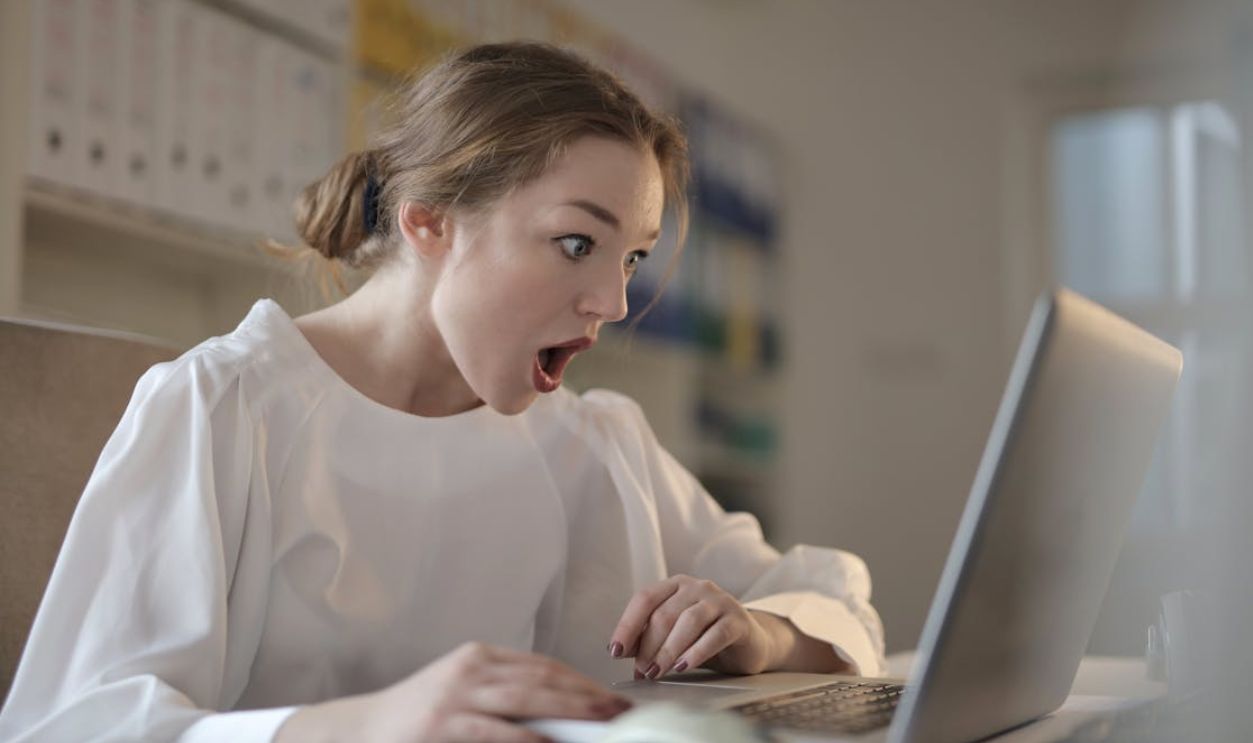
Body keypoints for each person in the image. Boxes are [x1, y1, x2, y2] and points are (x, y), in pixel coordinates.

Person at [0, 42, 884, 743]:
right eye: (578, 243)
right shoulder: (224, 408)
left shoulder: (596, 439)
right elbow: (70, 723)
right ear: (428, 221)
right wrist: (363, 726)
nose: (612, 303)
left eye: (633, 258)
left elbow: (827, 596)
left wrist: (757, 633)